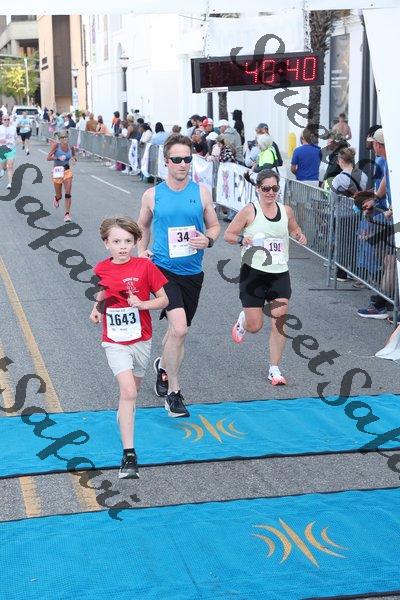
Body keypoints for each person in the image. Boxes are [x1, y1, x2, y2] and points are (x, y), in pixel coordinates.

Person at [137, 134, 220, 417]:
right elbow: (142, 226)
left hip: (193, 273)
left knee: (177, 333)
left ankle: (162, 366)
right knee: (180, 329)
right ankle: (174, 394)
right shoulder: (152, 195)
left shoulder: (202, 193)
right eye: (177, 159)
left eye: (187, 159)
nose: (183, 164)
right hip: (162, 270)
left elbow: (214, 226)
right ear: (166, 162)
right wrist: (141, 251)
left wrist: (208, 240)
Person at [90, 217, 168, 478]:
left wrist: (143, 304)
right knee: (128, 391)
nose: (122, 246)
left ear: (135, 243)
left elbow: (163, 300)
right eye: (116, 241)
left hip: (141, 339)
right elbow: (103, 291)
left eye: (127, 241)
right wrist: (96, 308)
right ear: (106, 244)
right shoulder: (102, 268)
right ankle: (129, 455)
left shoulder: (145, 267)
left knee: (131, 395)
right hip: (114, 340)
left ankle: (125, 420)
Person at [224, 169, 306, 386]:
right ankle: (244, 320)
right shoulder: (249, 211)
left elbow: (294, 228)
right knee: (255, 326)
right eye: (266, 188)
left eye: (275, 188)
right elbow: (228, 235)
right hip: (253, 274)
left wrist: (299, 235)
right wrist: (242, 240)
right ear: (258, 189)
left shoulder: (286, 211)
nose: (270, 192)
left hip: (279, 273)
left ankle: (274, 369)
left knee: (280, 320)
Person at [357, 128, 395, 320]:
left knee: (391, 261)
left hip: (395, 220)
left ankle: (382, 304)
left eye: (373, 143)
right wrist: (375, 199)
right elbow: (385, 183)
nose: (371, 146)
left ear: (378, 145)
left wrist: (392, 209)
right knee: (389, 260)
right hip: (392, 220)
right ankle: (386, 303)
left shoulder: (393, 160)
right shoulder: (388, 161)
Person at [46, 131, 77, 222]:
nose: (65, 139)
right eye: (62, 137)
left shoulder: (71, 147)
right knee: (59, 195)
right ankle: (56, 198)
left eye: (66, 137)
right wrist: (57, 158)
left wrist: (74, 159)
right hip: (57, 171)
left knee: (68, 193)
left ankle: (67, 214)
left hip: (67, 171)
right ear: (59, 139)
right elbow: (48, 158)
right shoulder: (56, 146)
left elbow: (74, 156)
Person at [0, 114, 18, 190]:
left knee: (10, 166)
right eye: (5, 119)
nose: (7, 121)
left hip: (11, 149)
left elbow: (15, 137)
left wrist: (16, 142)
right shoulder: (0, 128)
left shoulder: (13, 128)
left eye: (8, 119)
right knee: (4, 167)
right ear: (2, 120)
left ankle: (10, 183)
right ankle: (2, 170)